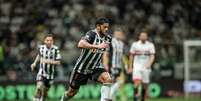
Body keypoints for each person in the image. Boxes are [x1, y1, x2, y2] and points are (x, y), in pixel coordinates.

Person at [60, 18, 113, 101]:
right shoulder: (91, 34)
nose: (107, 29)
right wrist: (97, 46)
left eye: (107, 27)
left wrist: (105, 63)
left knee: (108, 79)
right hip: (81, 68)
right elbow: (80, 44)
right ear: (98, 26)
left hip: (95, 67)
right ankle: (63, 99)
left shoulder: (108, 38)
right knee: (71, 93)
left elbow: (105, 52)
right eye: (104, 27)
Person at [31, 34, 61, 101]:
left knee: (45, 93)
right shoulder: (41, 48)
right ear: (44, 41)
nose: (49, 42)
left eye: (51, 40)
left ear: (53, 41)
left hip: (50, 75)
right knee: (39, 87)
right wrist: (34, 63)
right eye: (47, 40)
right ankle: (35, 99)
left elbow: (58, 62)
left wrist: (47, 61)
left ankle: (42, 99)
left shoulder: (56, 49)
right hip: (42, 73)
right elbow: (39, 55)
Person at [129, 32, 155, 101]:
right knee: (136, 83)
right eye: (142, 36)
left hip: (146, 67)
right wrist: (130, 66)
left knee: (144, 85)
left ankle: (143, 98)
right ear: (139, 37)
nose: (143, 37)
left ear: (147, 37)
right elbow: (131, 56)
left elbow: (152, 56)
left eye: (145, 36)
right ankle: (135, 97)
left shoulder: (150, 45)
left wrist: (149, 64)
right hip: (137, 66)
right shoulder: (135, 44)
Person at [102, 28, 126, 101]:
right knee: (112, 83)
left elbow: (121, 56)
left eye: (120, 34)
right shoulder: (111, 42)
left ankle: (110, 97)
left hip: (118, 66)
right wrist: (105, 65)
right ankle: (107, 98)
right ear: (114, 34)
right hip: (111, 66)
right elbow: (105, 53)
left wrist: (125, 65)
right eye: (117, 34)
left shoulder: (121, 44)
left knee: (116, 83)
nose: (119, 35)